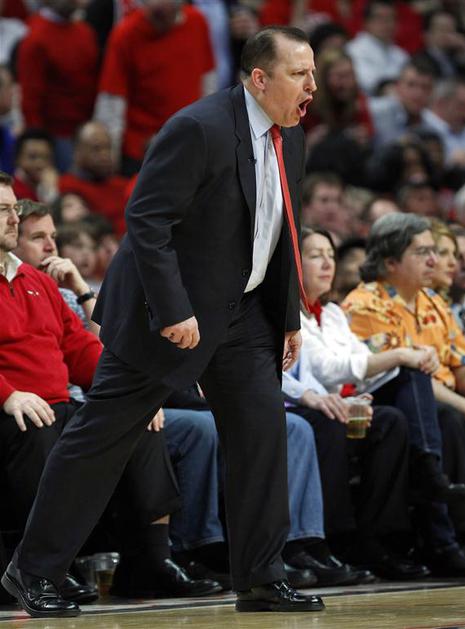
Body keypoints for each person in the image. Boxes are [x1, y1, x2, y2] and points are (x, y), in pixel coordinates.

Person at [2, 26, 324, 616]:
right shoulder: (198, 128)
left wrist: (286, 316)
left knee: (262, 436)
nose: (312, 85)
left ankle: (261, 576)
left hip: (245, 314)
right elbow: (146, 221)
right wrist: (175, 309)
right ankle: (33, 571)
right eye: (299, 74)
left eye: (313, 73)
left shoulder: (292, 137)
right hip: (164, 311)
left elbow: (280, 231)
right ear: (259, 79)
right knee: (101, 439)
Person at [0, 189, 221, 601]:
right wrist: (9, 395)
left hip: (59, 404)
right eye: (3, 211)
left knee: (136, 423)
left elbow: (79, 347)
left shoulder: (37, 281)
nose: (14, 218)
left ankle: (149, 562)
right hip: (14, 408)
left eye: (14, 209)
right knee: (38, 427)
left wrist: (129, 393)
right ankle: (40, 568)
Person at [342, 213, 465, 575]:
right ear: (390, 261)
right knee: (448, 418)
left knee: (449, 417)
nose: (434, 260)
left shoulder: (434, 303)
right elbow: (402, 376)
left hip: (439, 402)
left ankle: (447, 530)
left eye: (433, 251)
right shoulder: (367, 303)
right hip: (387, 400)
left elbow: (458, 365)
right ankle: (441, 536)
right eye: (422, 252)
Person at [94, 0, 216, 175]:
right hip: (142, 150)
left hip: (190, 143)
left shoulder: (197, 22)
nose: (158, 24)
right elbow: (111, 100)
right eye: (154, 16)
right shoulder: (125, 34)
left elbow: (208, 81)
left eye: (164, 16)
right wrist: (110, 153)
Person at [17, 0, 99, 172]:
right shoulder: (36, 37)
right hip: (55, 135)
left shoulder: (86, 32)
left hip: (85, 129)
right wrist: (40, 143)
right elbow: (31, 97)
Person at [59, 122, 129, 237]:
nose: (105, 155)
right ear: (77, 152)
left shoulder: (124, 185)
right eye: (97, 149)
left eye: (108, 148)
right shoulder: (67, 186)